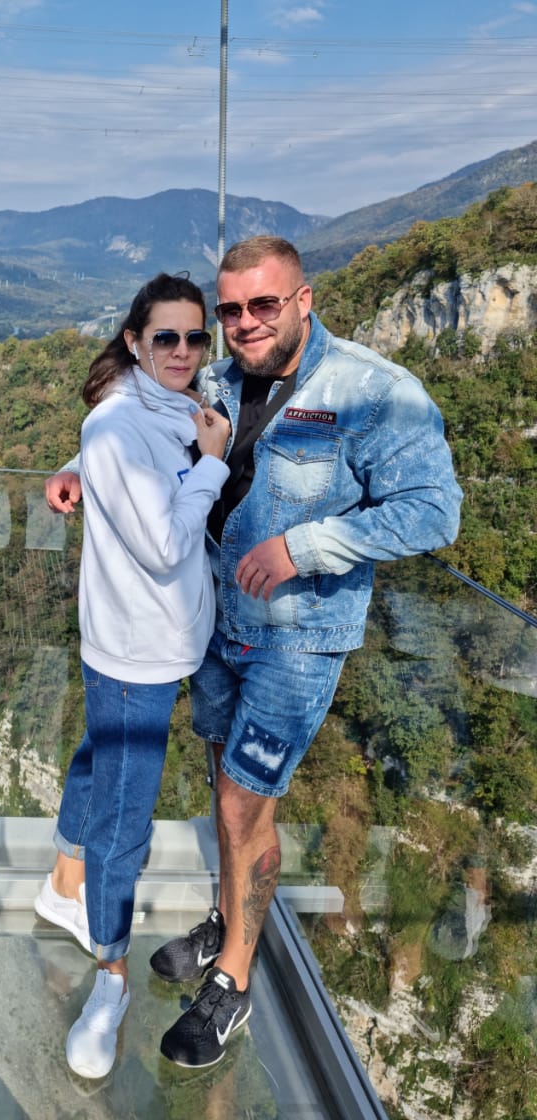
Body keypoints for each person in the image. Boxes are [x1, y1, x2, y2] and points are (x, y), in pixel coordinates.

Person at [45, 235, 462, 1070]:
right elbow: (153, 437)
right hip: (216, 627)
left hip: (297, 640)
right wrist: (82, 467)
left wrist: (304, 548)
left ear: (304, 300)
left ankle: (232, 980)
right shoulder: (222, 383)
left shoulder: (374, 392)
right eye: (229, 310)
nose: (243, 323)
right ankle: (226, 921)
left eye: (262, 304)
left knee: (242, 805)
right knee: (223, 785)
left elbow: (433, 511)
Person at [34, 271, 231, 1080]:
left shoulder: (172, 402)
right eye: (166, 338)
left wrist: (80, 467)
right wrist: (212, 464)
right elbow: (163, 543)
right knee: (125, 818)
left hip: (165, 637)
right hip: (134, 649)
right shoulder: (120, 421)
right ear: (133, 340)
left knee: (99, 762)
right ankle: (109, 976)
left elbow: (128, 457)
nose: (183, 351)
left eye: (195, 337)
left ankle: (62, 883)